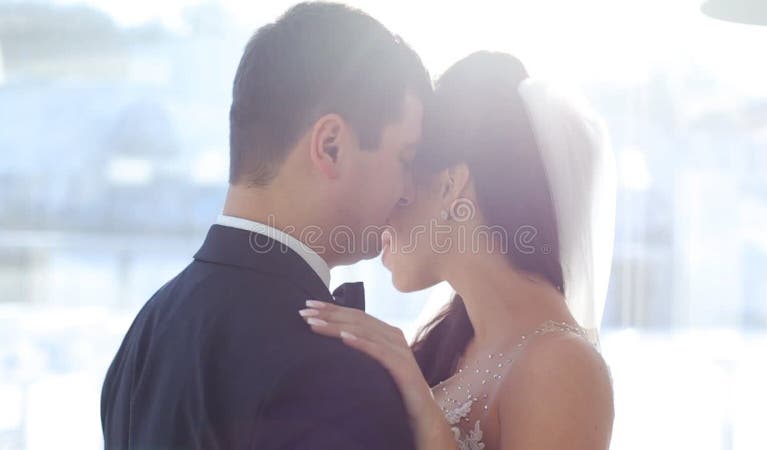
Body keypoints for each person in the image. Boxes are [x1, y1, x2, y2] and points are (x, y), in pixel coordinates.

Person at [100, 3, 430, 449]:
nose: (409, 191)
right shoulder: (337, 373)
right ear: (330, 146)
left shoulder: (147, 330)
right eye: (406, 159)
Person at [302, 51, 617, 450]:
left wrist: (422, 406)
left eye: (404, 170)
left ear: (450, 185)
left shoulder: (563, 366)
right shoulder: (447, 343)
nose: (382, 212)